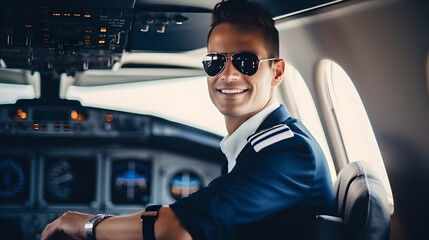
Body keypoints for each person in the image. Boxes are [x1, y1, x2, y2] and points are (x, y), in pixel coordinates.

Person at [41, 0, 334, 239]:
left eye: (246, 61)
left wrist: (87, 225)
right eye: (216, 62)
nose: (228, 75)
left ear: (277, 72)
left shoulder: (288, 152)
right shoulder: (251, 147)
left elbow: (175, 228)